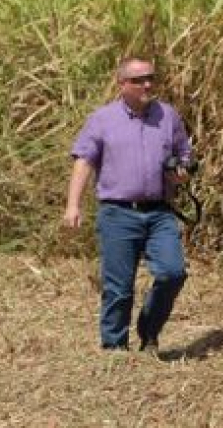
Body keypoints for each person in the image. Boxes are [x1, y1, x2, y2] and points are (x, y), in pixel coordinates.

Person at [64, 57, 193, 354]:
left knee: (173, 273)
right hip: (117, 212)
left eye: (151, 78)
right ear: (122, 84)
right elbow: (84, 160)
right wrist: (73, 205)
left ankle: (149, 333)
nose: (147, 84)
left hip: (159, 211)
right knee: (118, 288)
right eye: (138, 80)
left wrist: (182, 171)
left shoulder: (168, 116)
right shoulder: (102, 119)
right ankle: (114, 348)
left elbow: (184, 155)